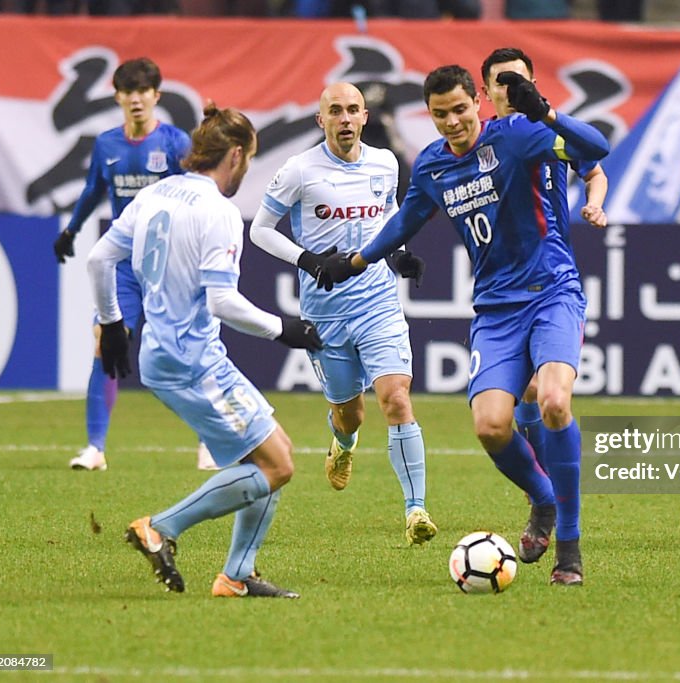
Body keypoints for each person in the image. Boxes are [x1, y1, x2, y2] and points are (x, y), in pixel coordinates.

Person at [316, 65, 610, 584]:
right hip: (495, 310)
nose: (453, 122)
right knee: (490, 426)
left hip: (551, 293)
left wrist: (545, 110)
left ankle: (570, 544)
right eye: (439, 115)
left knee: (555, 401)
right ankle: (544, 500)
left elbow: (597, 148)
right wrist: (356, 261)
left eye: (460, 109)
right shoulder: (432, 166)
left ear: (478, 101)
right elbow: (405, 222)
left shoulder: (518, 135)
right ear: (428, 117)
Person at [89, 103, 323, 597]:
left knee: (269, 453)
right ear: (235, 155)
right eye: (250, 161)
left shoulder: (155, 194)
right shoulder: (217, 210)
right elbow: (222, 301)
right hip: (191, 360)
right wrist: (284, 330)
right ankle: (161, 528)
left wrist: (111, 321)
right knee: (276, 465)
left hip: (164, 352)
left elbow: (99, 257)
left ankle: (236, 577)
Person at [249, 82, 437, 546]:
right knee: (350, 413)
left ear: (365, 117)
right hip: (326, 312)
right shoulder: (299, 170)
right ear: (322, 120)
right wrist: (310, 261)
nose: (346, 119)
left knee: (395, 398)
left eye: (354, 110)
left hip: (378, 303)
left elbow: (389, 218)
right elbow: (259, 230)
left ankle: (415, 510)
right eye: (336, 111)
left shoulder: (386, 163)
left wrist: (400, 255)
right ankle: (343, 443)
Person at [52, 57, 216, 472]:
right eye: (129, 92)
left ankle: (209, 443)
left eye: (144, 91)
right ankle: (95, 448)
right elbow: (93, 192)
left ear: (156, 96)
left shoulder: (178, 143)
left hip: (170, 263)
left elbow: (202, 188)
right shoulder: (107, 145)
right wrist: (71, 231)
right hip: (125, 263)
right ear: (118, 97)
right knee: (104, 341)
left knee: (188, 349)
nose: (136, 99)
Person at [479, 46, 608, 557]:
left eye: (519, 80)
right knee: (523, 401)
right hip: (502, 292)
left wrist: (594, 201)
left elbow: (594, 163)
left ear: (533, 83)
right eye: (500, 81)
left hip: (554, 282)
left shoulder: (553, 127)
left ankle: (564, 534)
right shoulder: (480, 140)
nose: (509, 88)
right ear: (485, 89)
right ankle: (543, 498)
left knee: (548, 395)